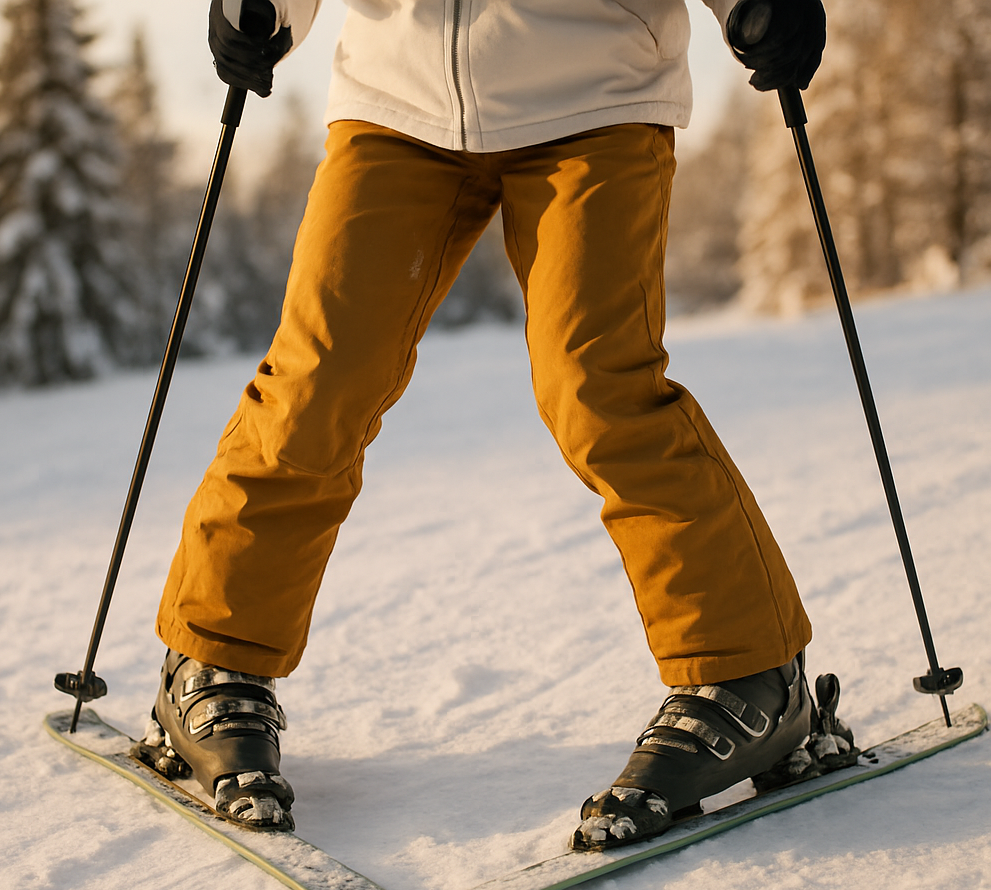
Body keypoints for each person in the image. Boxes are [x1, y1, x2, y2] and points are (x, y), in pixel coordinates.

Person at [137, 0, 828, 846]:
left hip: (595, 91)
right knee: (318, 379)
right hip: (398, 100)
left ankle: (750, 674)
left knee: (597, 385)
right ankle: (214, 657)